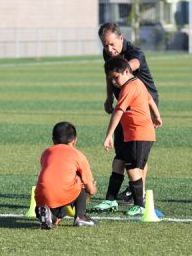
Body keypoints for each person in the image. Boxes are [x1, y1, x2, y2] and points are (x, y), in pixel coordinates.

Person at [93, 22, 159, 212]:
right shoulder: (109, 54)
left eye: (112, 44)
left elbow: (130, 67)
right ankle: (115, 197)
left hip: (142, 107)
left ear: (121, 38)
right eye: (105, 45)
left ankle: (140, 196)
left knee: (137, 156)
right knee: (121, 154)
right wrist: (108, 97)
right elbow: (110, 74)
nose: (109, 49)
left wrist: (122, 69)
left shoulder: (135, 53)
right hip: (123, 105)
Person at [102, 57, 162, 215]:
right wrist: (157, 116)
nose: (114, 82)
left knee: (133, 168)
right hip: (133, 134)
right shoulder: (137, 83)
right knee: (118, 162)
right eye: (111, 79)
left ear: (126, 71)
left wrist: (109, 135)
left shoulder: (129, 88)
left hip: (139, 134)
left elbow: (118, 111)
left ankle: (140, 205)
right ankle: (110, 200)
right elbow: (150, 100)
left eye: (116, 77)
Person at [34, 121, 98, 229]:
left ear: (53, 140)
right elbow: (91, 189)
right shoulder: (78, 155)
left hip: (41, 198)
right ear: (74, 141)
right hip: (64, 193)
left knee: (55, 191)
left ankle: (49, 215)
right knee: (80, 179)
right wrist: (91, 191)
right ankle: (81, 217)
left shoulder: (46, 152)